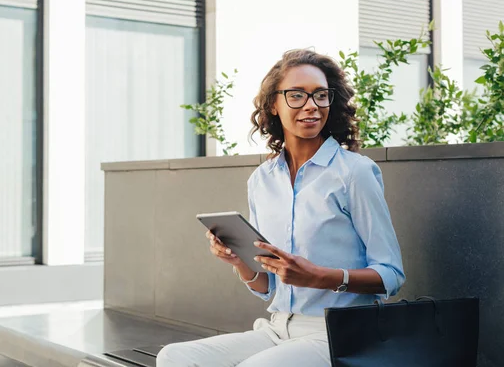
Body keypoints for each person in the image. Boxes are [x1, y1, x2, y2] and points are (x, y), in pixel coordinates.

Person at [156, 49, 405, 367]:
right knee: (175, 357)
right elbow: (266, 285)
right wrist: (239, 261)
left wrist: (321, 277)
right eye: (297, 95)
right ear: (274, 103)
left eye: (320, 95)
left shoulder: (355, 173)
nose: (311, 105)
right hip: (277, 328)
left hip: (339, 331)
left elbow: (392, 274)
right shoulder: (262, 180)